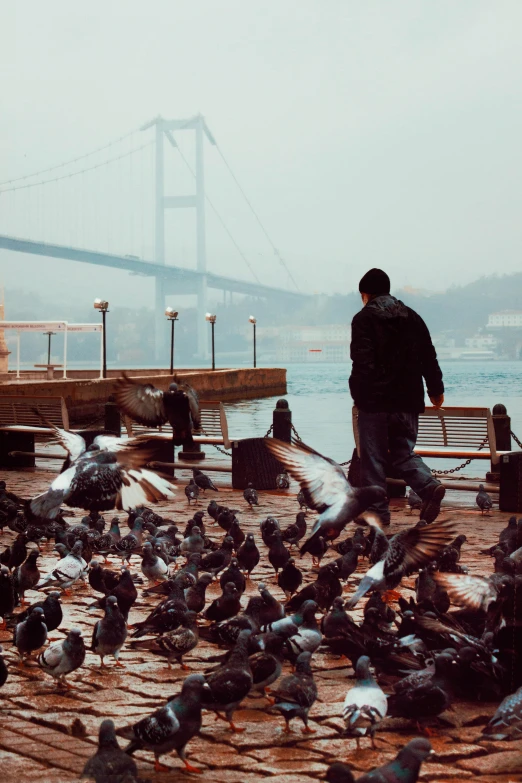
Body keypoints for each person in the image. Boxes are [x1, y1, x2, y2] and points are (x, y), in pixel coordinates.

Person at [349, 268, 445, 526]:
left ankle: (377, 514)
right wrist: (436, 389)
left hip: (376, 404)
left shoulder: (363, 319)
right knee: (403, 452)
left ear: (365, 293)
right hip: (408, 402)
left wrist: (359, 396)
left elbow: (362, 363)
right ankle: (427, 485)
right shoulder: (413, 317)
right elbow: (428, 355)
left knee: (373, 461)